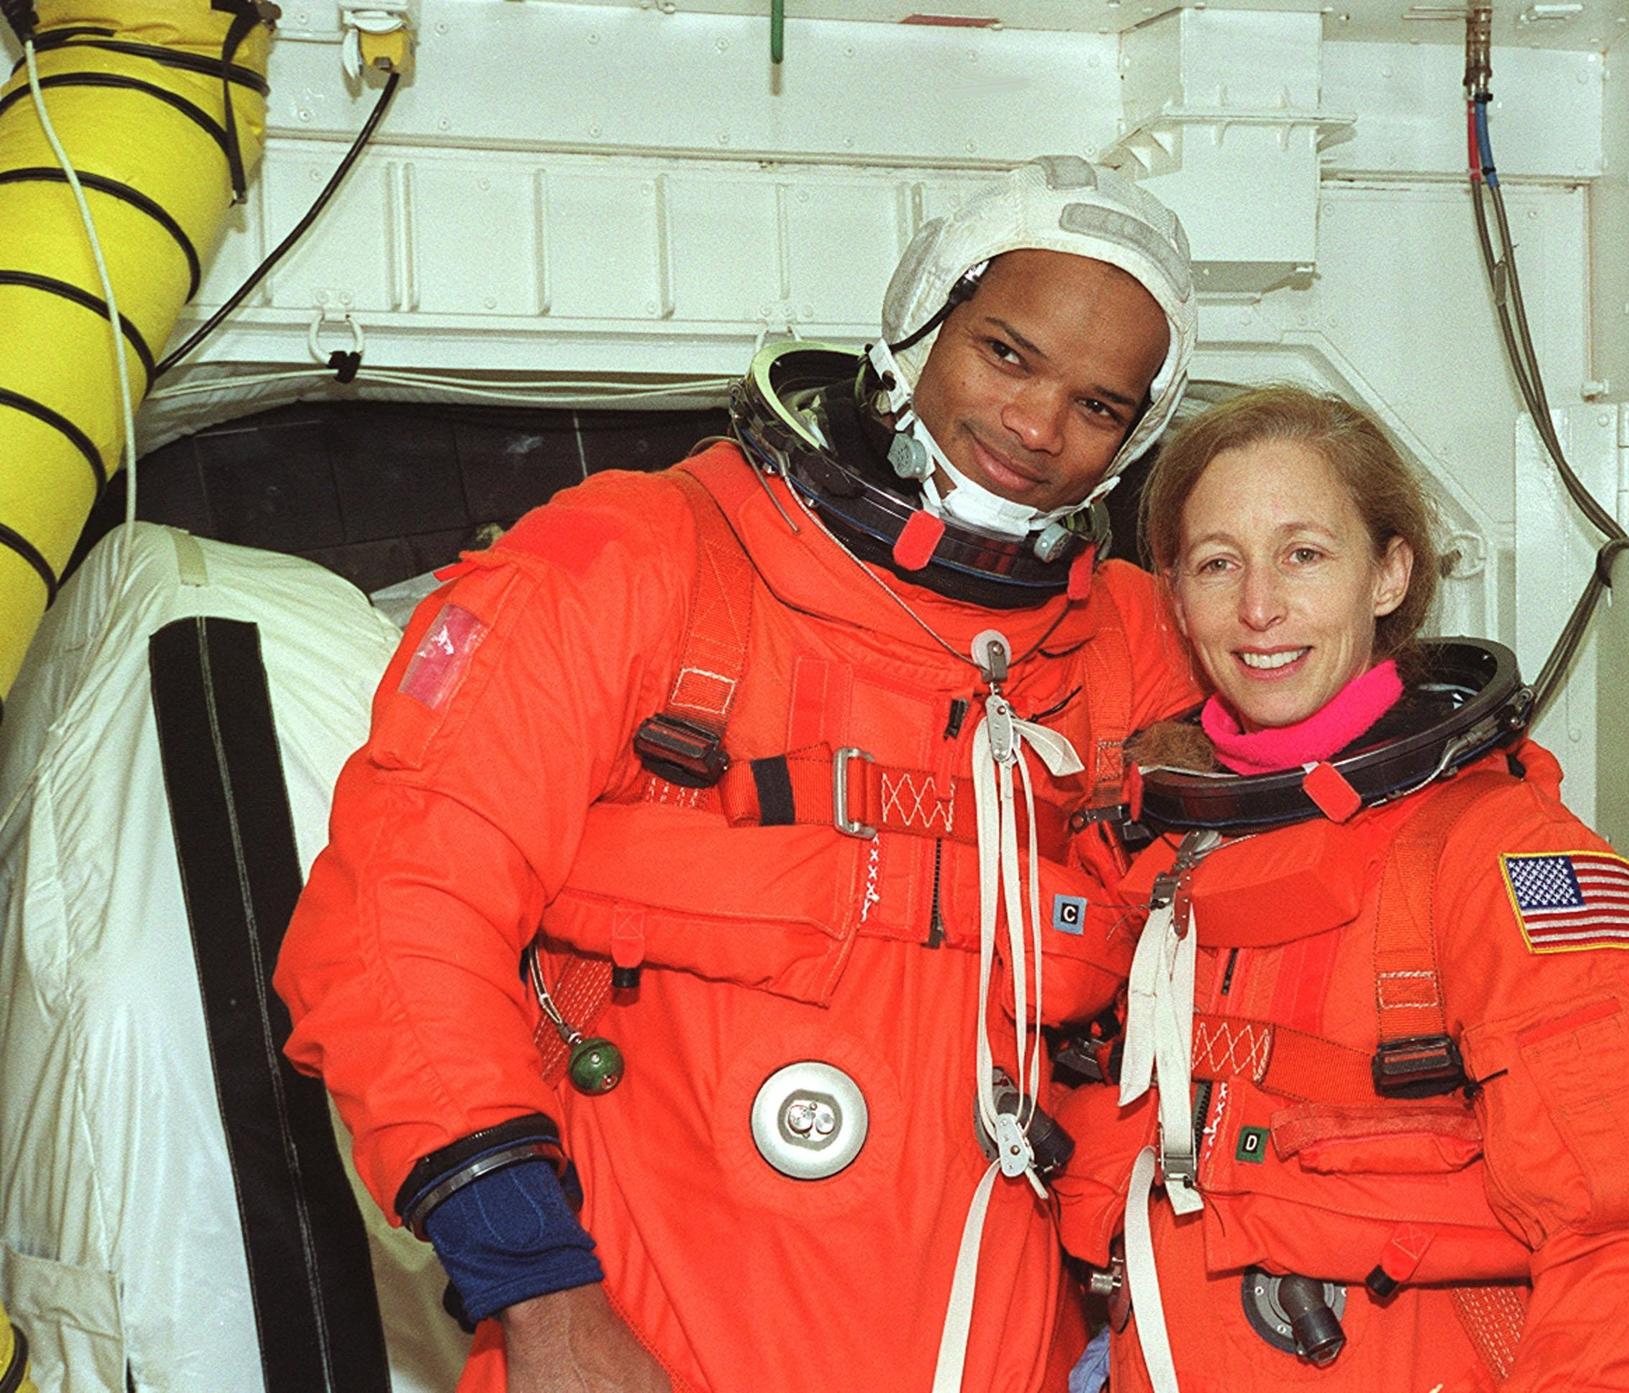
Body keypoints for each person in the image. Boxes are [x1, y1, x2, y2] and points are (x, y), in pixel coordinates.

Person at [273, 157, 1208, 1393]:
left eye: (1097, 405)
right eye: (1006, 354)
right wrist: (541, 1297)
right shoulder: (638, 561)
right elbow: (397, 918)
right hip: (639, 1349)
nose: (1037, 427)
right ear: (918, 323)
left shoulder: (1129, 650)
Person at [1051, 385, 1629, 1392]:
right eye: (1217, 563)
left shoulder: (1499, 851)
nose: (1259, 608)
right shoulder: (1151, 851)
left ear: (1389, 573)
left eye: (1304, 553)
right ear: (1175, 594)